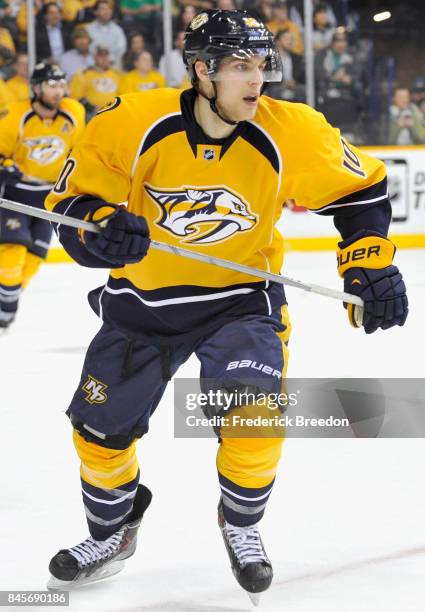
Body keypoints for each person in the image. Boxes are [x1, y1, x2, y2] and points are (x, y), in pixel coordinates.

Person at [44, 9, 408, 599]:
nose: (257, 80)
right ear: (201, 71)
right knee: (97, 433)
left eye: (262, 65)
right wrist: (102, 227)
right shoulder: (132, 121)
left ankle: (241, 526)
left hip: (240, 302)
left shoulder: (290, 129)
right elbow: (74, 206)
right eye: (240, 66)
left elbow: (361, 190)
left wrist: (369, 261)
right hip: (142, 301)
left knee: (255, 421)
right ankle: (113, 530)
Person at [0, 63, 85, 329]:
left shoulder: (74, 112)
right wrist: (5, 166)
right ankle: (6, 309)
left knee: (35, 259)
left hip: (49, 197)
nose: (58, 91)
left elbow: (79, 152)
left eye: (61, 85)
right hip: (17, 194)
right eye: (51, 85)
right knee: (12, 252)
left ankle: (5, 303)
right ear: (36, 88)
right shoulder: (16, 115)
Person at [69, 45, 121, 119]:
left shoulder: (117, 74)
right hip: (92, 113)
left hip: (115, 111)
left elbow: (124, 94)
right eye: (100, 56)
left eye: (106, 55)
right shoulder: (83, 74)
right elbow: (76, 96)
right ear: (94, 57)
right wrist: (92, 108)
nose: (104, 59)